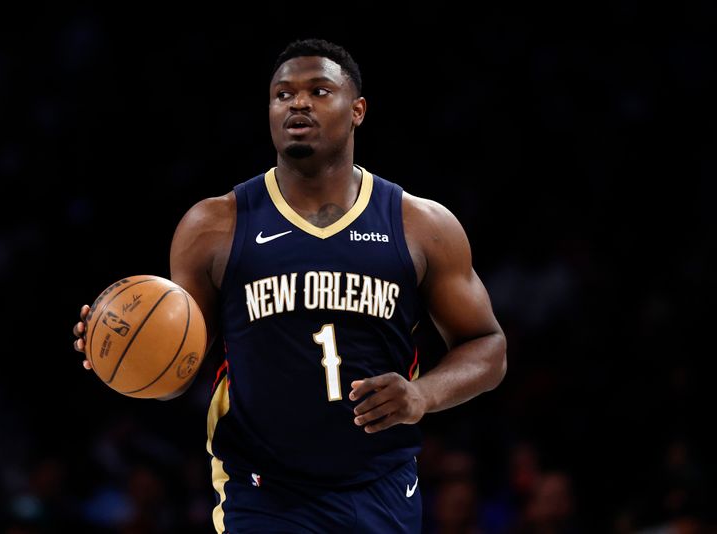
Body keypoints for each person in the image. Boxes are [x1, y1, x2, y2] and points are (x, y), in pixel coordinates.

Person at [73, 38, 507, 533]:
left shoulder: (420, 224)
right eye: (283, 94)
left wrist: (422, 395)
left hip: (380, 487)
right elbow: (179, 371)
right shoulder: (214, 225)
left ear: (358, 110)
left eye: (319, 91)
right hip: (262, 493)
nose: (297, 102)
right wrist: (127, 349)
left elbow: (488, 346)